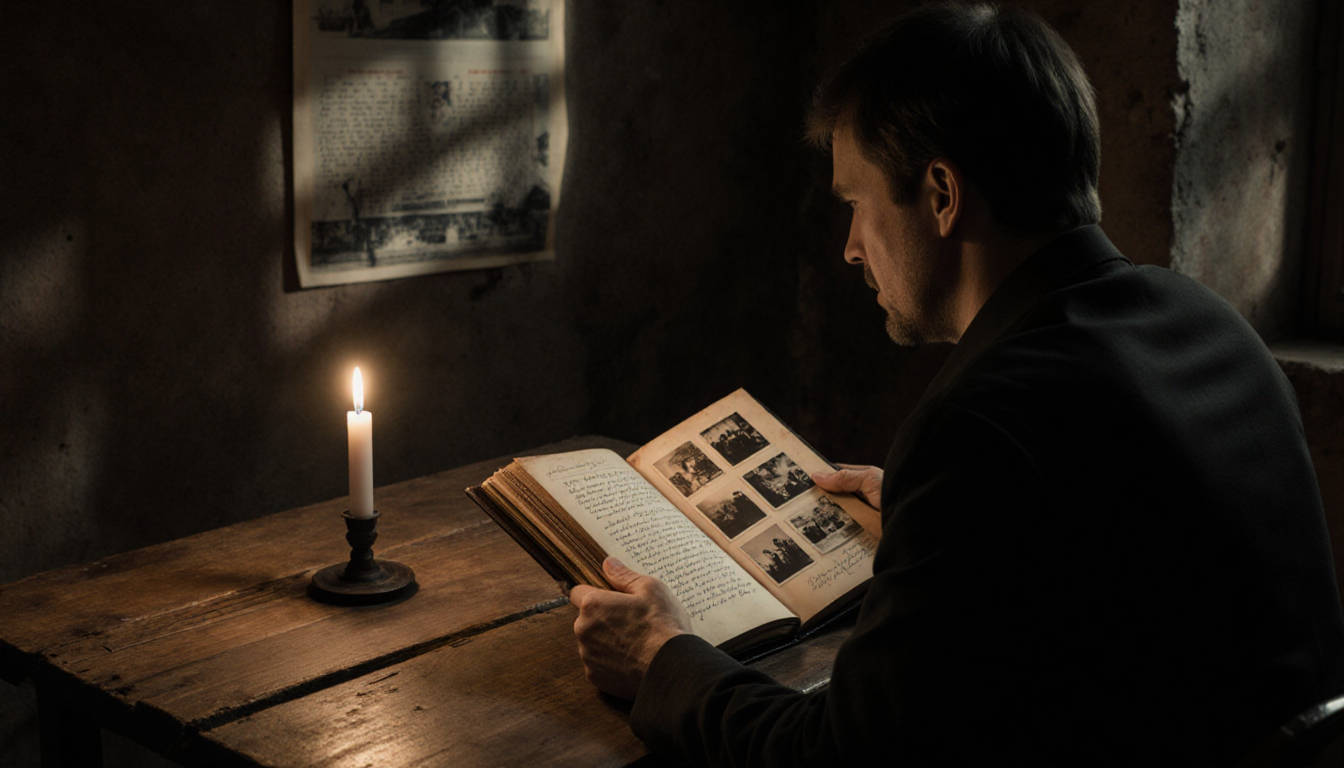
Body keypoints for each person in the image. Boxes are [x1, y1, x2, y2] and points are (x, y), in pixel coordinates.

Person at [569, 3, 1344, 765]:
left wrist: (663, 655)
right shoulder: (1211, 324)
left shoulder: (982, 428)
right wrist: (934, 512)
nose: (849, 249)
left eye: (856, 204)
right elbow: (1102, 554)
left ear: (940, 195)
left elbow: (835, 755)